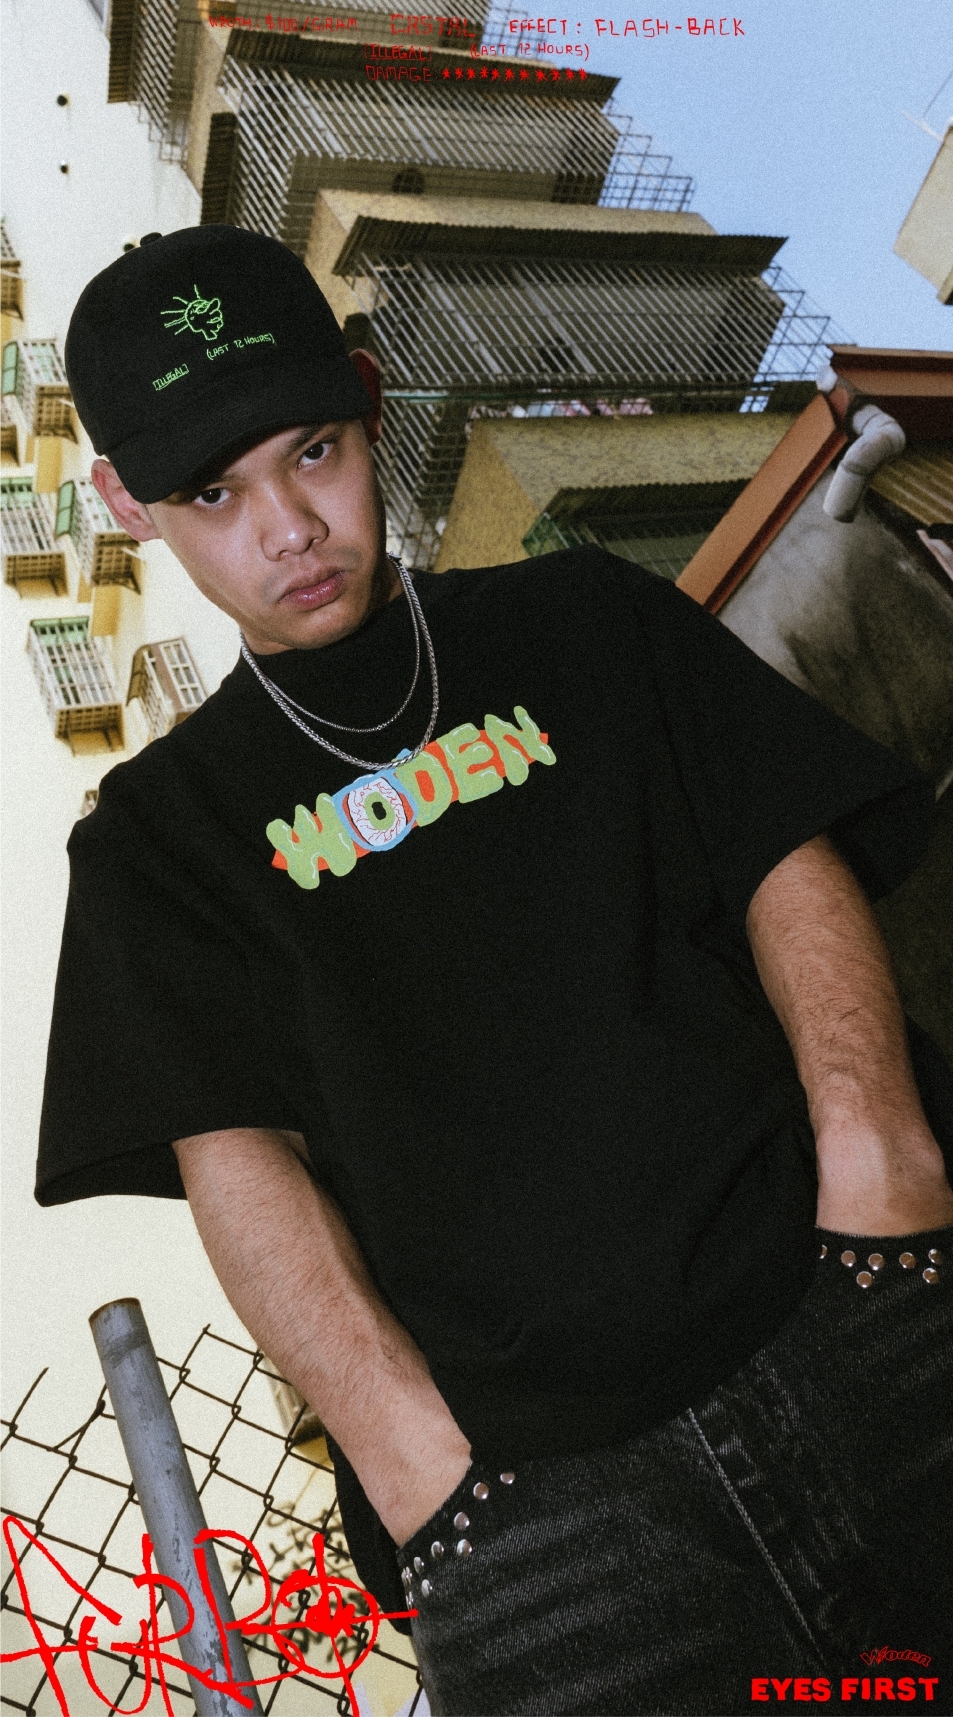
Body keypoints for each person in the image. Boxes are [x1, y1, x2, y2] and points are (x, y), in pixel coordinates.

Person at [38, 225, 953, 1716]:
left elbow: (781, 853)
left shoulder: (582, 618)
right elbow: (236, 1159)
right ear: (129, 505)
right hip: (543, 1521)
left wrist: (885, 1179)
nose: (290, 527)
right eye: (215, 492)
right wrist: (421, 1476)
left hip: (861, 1312)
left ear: (368, 402)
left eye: (312, 452)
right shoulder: (155, 841)